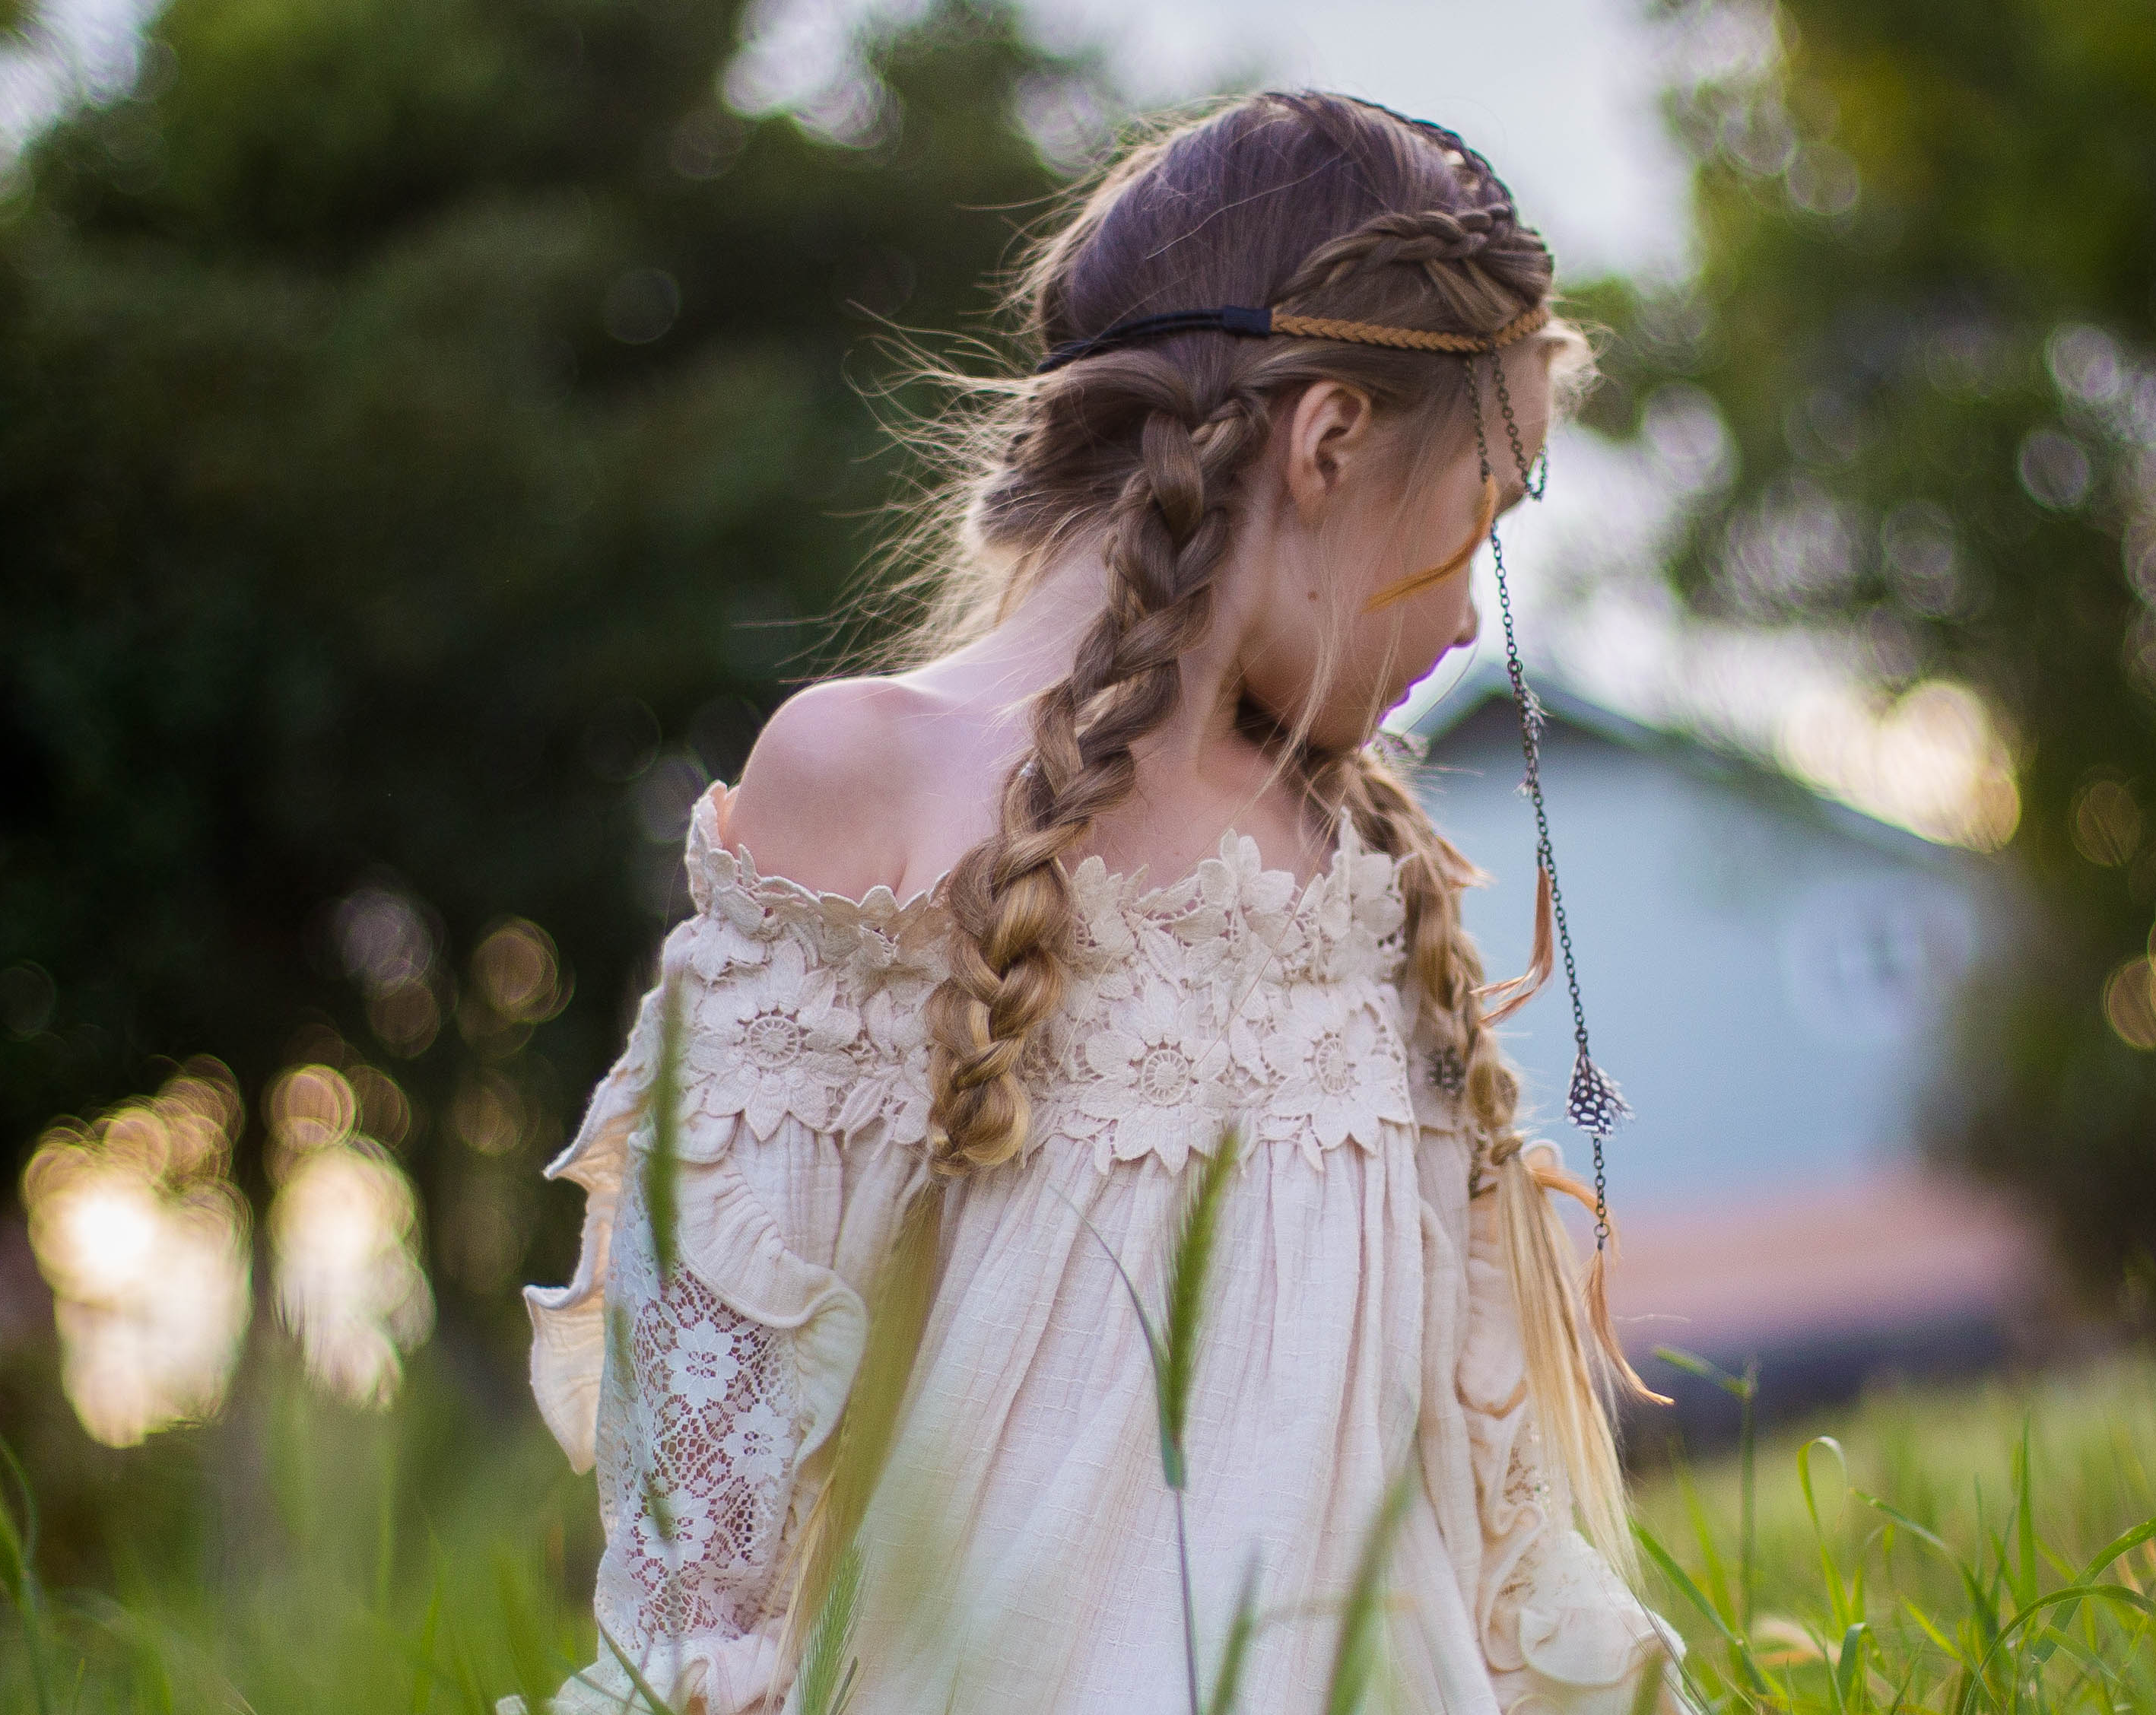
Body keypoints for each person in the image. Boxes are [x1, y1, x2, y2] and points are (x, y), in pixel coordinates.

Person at [519, 91, 1687, 1715]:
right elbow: (707, 1504)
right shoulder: (864, 782)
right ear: (1329, 440)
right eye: (1481, 519)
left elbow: (1467, 1513)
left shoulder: (1358, 871)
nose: (1468, 620)